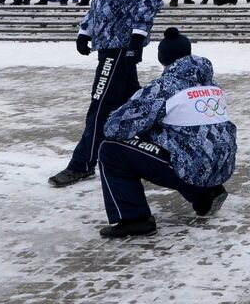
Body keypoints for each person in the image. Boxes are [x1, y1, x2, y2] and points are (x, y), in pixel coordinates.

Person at [48, 0, 162, 188]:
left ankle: (82, 163)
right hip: (106, 40)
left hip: (121, 44)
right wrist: (86, 30)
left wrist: (138, 35)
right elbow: (99, 0)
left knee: (100, 106)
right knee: (136, 106)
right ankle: (170, 152)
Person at [96, 27, 236, 237]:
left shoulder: (163, 88)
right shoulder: (212, 84)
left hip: (194, 166)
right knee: (181, 142)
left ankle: (134, 218)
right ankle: (206, 194)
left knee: (111, 149)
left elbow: (115, 126)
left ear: (163, 59)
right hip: (222, 166)